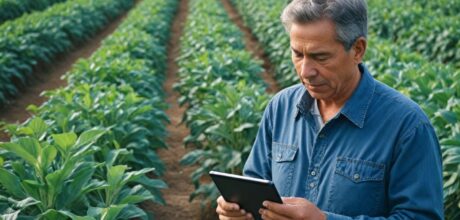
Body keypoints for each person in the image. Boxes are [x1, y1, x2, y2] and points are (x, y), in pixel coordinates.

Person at [216, 0, 444, 219]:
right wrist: (240, 212)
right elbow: (255, 189)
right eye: (298, 54)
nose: (305, 71)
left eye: (320, 57)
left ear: (358, 49)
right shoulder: (281, 107)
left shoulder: (408, 127)